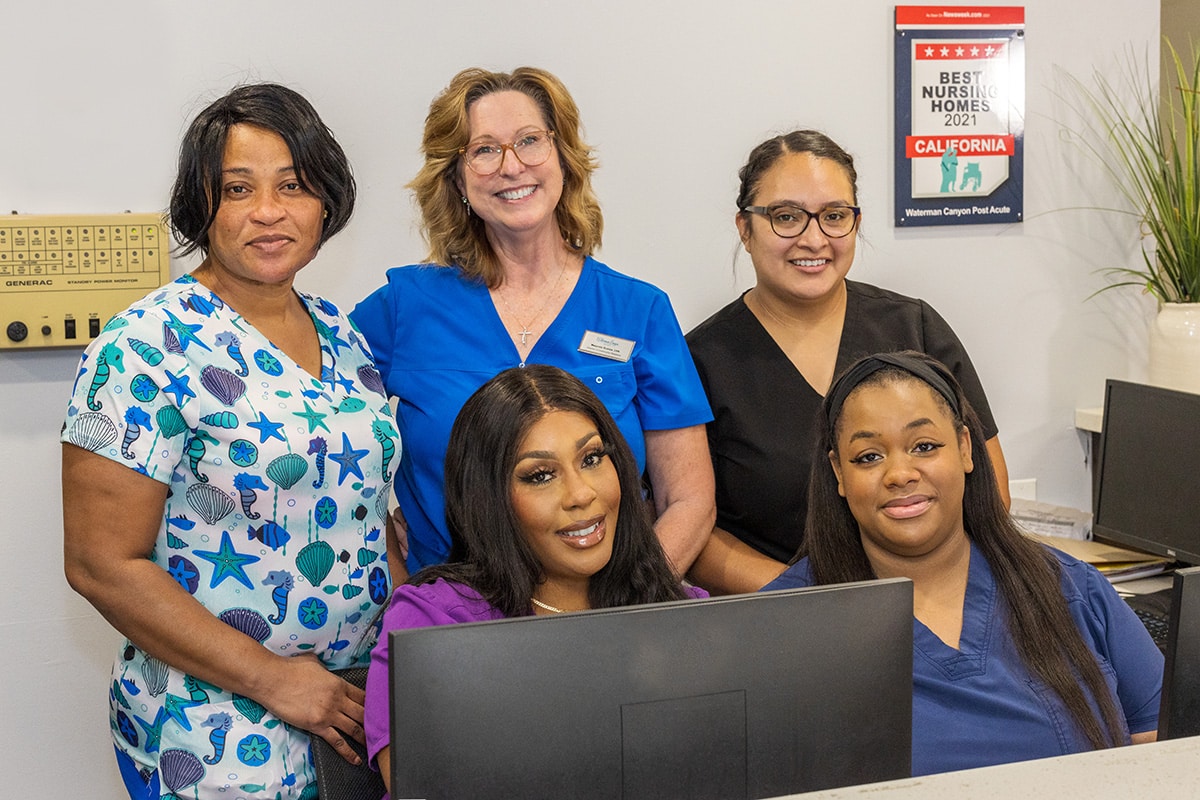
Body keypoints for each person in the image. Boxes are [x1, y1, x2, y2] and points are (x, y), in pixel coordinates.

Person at [61, 83, 401, 799]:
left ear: (326, 201)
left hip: (348, 711)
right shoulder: (143, 347)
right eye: (237, 189)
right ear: (200, 207)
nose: (269, 212)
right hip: (212, 731)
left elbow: (365, 509)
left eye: (294, 186)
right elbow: (101, 563)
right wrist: (273, 679)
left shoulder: (342, 333)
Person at [351, 66, 714, 578]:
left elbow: (691, 500)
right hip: (453, 617)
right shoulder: (402, 308)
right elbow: (316, 434)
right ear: (456, 178)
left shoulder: (638, 311)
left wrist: (629, 604)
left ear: (563, 156)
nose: (512, 165)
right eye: (483, 150)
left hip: (603, 616)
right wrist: (388, 561)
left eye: (529, 141)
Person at [763, 350, 1161, 775]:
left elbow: (1166, 748)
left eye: (924, 446)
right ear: (838, 474)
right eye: (868, 457)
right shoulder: (780, 627)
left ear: (967, 449)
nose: (900, 473)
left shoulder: (1072, 588)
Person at [686, 130, 1010, 594]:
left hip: (935, 598)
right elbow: (691, 523)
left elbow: (988, 483)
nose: (814, 239)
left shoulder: (913, 329)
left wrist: (919, 594)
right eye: (786, 217)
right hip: (782, 616)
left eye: (834, 216)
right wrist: (815, 602)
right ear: (745, 228)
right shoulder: (702, 362)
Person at [362, 364, 705, 791]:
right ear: (489, 500)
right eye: (540, 476)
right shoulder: (430, 625)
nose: (581, 494)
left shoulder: (682, 609)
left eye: (592, 458)